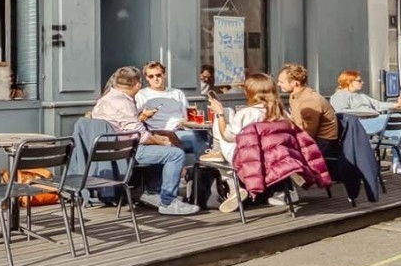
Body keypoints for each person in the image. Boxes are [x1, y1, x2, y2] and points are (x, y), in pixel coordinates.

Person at [90, 66, 199, 216]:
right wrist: (162, 142)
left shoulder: (105, 99)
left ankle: (152, 192)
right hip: (127, 150)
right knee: (175, 153)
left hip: (111, 150)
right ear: (137, 85)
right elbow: (140, 136)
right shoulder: (123, 103)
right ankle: (168, 202)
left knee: (162, 151)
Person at [206, 72, 296, 211]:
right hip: (273, 157)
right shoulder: (282, 112)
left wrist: (219, 113)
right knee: (229, 114)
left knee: (223, 126)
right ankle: (284, 190)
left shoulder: (246, 113)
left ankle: (232, 186)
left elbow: (227, 136)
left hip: (248, 158)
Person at [137, 61, 202, 155]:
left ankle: (201, 167)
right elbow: (136, 119)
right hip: (159, 131)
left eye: (158, 75)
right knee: (196, 140)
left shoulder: (177, 93)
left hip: (181, 129)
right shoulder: (142, 95)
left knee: (204, 137)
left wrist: (184, 122)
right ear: (147, 78)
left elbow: (188, 116)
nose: (155, 79)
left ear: (164, 75)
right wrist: (144, 115)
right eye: (151, 76)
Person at [278, 63, 340, 156]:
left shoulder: (310, 101)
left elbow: (307, 134)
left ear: (295, 83)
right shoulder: (295, 96)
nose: (278, 84)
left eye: (282, 82)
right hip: (309, 137)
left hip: (321, 142)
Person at [330, 70, 401, 136]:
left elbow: (378, 105)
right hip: (359, 124)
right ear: (349, 82)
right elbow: (342, 112)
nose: (362, 82)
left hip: (372, 121)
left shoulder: (362, 95)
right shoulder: (339, 95)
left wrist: (397, 104)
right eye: (359, 81)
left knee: (398, 123)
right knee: (393, 118)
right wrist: (368, 112)